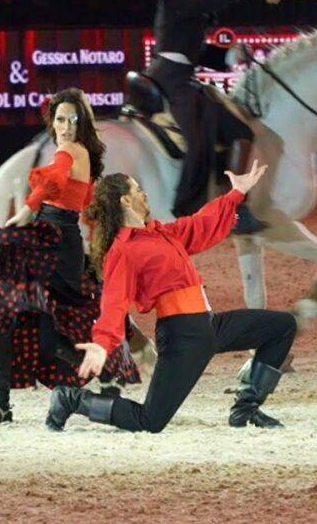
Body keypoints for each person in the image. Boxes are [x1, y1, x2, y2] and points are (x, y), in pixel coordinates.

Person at [46, 160, 297, 433]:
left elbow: (200, 225)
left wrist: (236, 193)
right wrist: (102, 344)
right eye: (138, 190)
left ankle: (245, 410)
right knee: (150, 421)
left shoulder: (161, 233)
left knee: (282, 326)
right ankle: (71, 398)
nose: (145, 195)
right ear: (126, 202)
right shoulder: (123, 250)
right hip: (182, 336)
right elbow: (114, 303)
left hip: (210, 326)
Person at [0, 88, 140, 424]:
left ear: (82, 123)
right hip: (47, 240)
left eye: (72, 120)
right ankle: (2, 403)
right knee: (10, 318)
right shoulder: (83, 153)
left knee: (46, 331)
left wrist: (26, 210)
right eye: (60, 119)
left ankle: (97, 377)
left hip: (57, 243)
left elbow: (55, 179)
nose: (64, 126)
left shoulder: (70, 151)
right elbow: (81, 197)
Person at [146, 0, 284, 233]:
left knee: (241, 131)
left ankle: (233, 208)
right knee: (197, 139)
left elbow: (198, 51)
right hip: (169, 79)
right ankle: (183, 211)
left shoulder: (193, 1)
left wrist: (231, 56)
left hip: (186, 78)